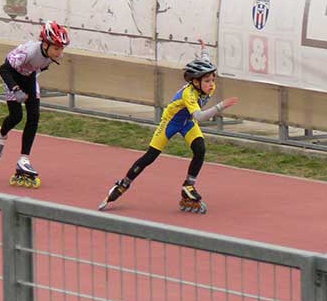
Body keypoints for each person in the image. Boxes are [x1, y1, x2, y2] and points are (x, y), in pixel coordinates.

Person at [98, 41, 238, 213]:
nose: (211, 84)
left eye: (212, 80)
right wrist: (221, 106)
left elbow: (206, 59)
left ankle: (188, 186)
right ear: (195, 82)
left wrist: (204, 48)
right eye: (207, 81)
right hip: (170, 122)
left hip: (187, 122)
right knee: (150, 156)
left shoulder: (205, 85)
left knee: (200, 149)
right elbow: (200, 117)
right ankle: (123, 184)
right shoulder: (189, 94)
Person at [0, 21, 70, 187]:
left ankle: (24, 159)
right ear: (45, 44)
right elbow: (3, 69)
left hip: (29, 77)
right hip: (12, 76)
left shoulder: (52, 56)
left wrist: (28, 88)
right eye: (57, 48)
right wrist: (15, 89)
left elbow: (35, 70)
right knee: (16, 116)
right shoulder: (28, 52)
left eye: (62, 48)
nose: (60, 53)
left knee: (34, 116)